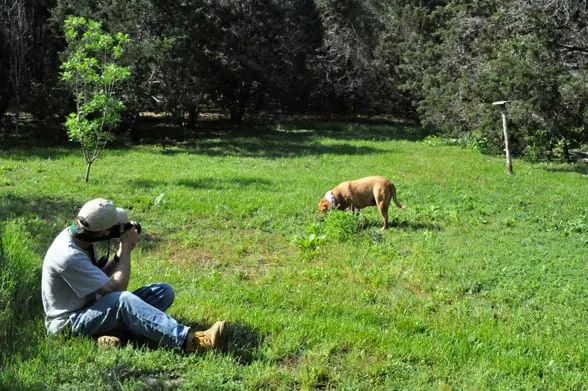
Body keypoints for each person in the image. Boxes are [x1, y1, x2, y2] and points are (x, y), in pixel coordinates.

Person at [41, 198, 227, 351]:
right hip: (68, 323)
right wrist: (126, 247)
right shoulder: (69, 255)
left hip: (91, 307)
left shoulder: (82, 241)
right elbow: (118, 289)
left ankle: (110, 337)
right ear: (103, 232)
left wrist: (118, 256)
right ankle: (192, 342)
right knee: (123, 301)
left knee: (162, 292)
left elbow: (99, 279)